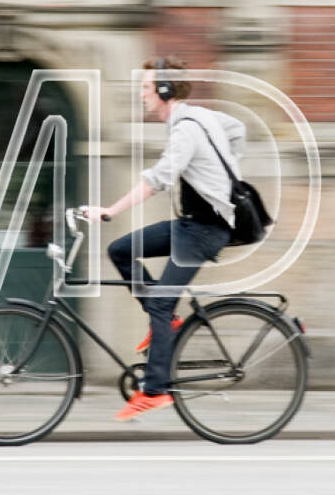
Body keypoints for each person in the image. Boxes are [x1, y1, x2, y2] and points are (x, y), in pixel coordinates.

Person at [84, 57, 246, 421]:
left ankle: (155, 390)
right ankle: (168, 322)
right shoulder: (197, 117)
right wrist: (225, 172)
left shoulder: (185, 129)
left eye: (145, 87)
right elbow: (237, 130)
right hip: (193, 224)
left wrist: (109, 210)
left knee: (158, 301)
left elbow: (158, 179)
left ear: (164, 90)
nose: (142, 94)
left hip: (206, 229)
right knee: (121, 250)